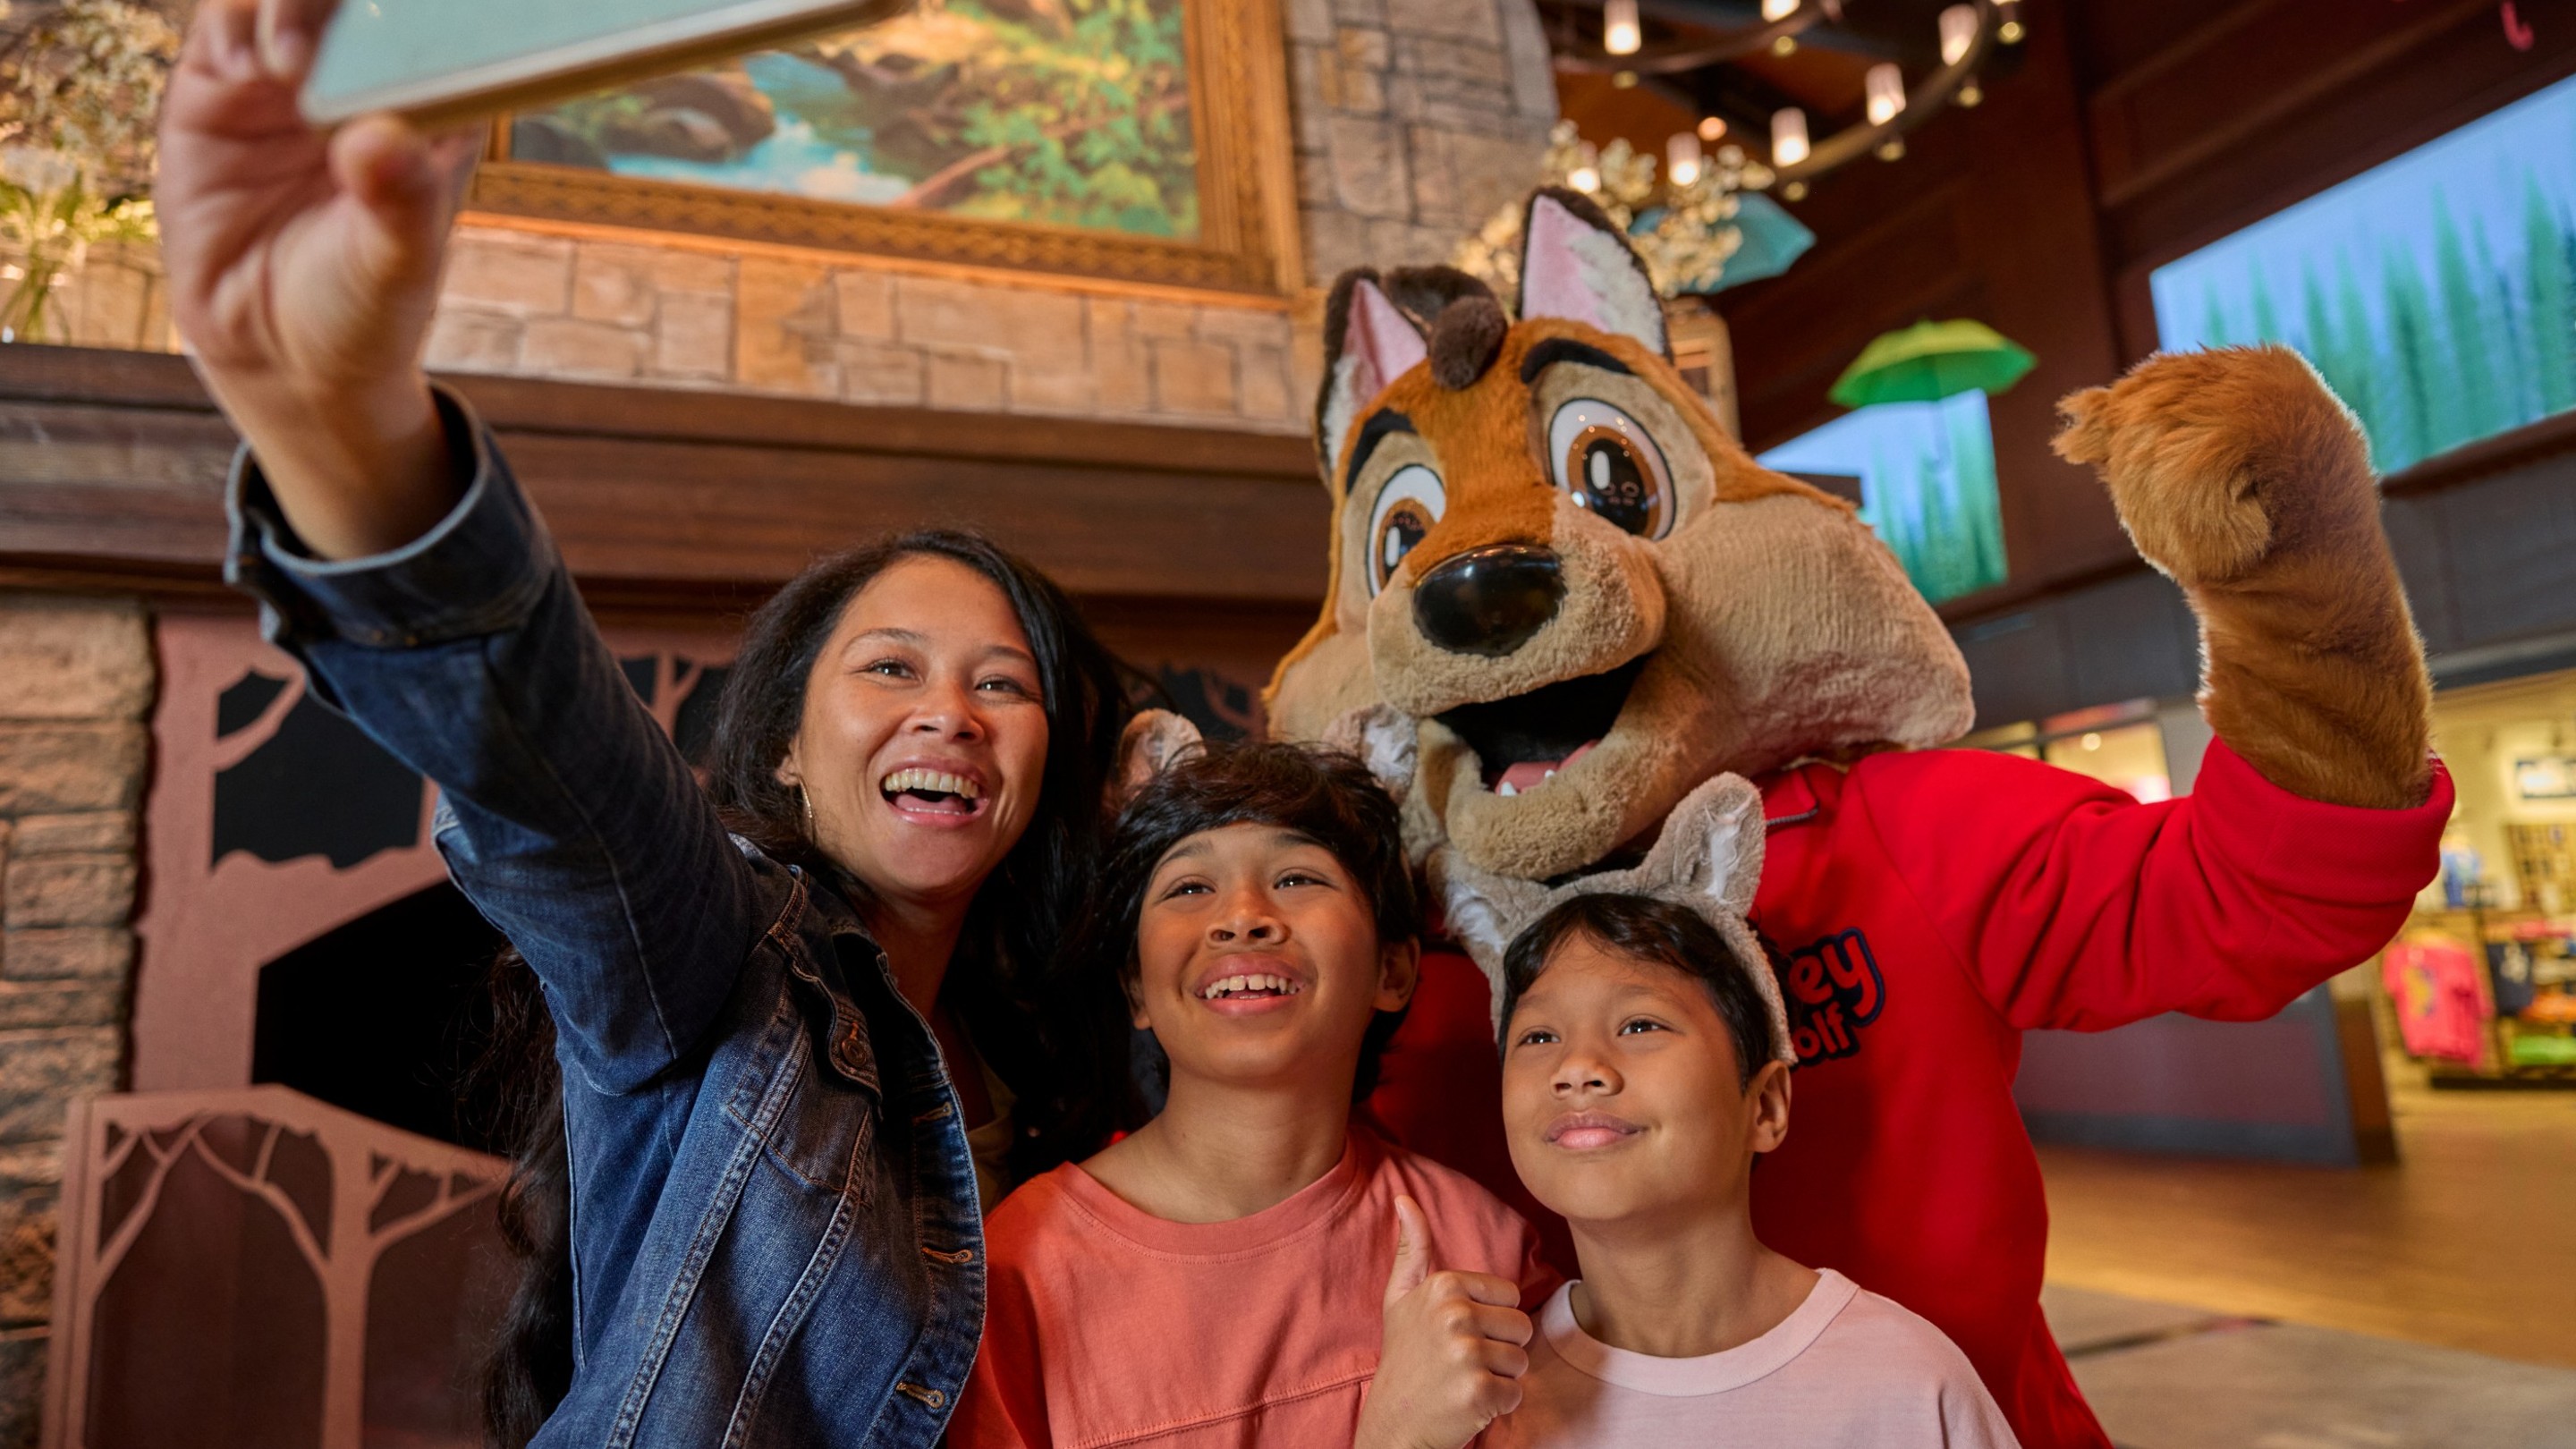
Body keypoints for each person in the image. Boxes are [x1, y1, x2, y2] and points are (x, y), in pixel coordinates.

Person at [156, 4, 1140, 1444]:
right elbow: (561, 784)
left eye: (1004, 684)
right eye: (889, 669)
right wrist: (340, 426)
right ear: (787, 750)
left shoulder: (1072, 1049)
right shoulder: (719, 963)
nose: (953, 713)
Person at [949, 741, 1555, 1448]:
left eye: (1297, 878)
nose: (1241, 916)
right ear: (1136, 988)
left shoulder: (1484, 1247)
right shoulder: (1017, 1273)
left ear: (1392, 971)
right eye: (1188, 888)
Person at [1372, 893, 2017, 1449]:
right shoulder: (1476, 1391)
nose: (1578, 1067)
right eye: (1539, 1038)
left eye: (1639, 1024)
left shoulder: (1907, 1381)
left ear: (1763, 1106)